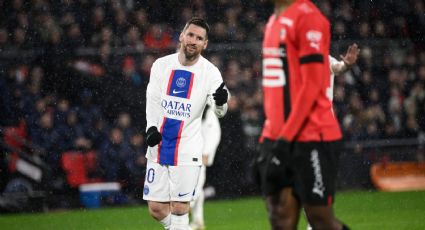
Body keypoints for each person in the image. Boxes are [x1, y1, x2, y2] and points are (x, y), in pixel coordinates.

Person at [257, 0, 354, 229]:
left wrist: (284, 140)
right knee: (280, 216)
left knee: (320, 220)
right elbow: (276, 88)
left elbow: (312, 87)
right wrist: (268, 137)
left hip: (311, 135)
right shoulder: (273, 20)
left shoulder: (309, 17)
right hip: (278, 135)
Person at [143, 17, 229, 230]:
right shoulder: (161, 65)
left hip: (188, 147)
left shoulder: (210, 73)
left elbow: (219, 111)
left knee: (180, 207)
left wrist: (221, 102)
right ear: (181, 36)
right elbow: (152, 100)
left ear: (205, 44)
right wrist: (151, 127)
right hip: (159, 144)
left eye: (199, 38)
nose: (193, 40)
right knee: (156, 208)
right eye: (190, 35)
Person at [190, 105, 221, 230]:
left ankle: (184, 212)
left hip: (200, 156)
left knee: (195, 187)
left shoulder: (209, 115)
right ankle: (198, 221)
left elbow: (215, 135)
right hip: (194, 155)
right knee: (199, 190)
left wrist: (206, 153)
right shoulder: (202, 114)